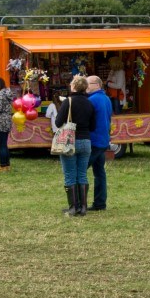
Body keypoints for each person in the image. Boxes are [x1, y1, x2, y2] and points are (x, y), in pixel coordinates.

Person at [55, 75, 96, 217]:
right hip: (86, 141)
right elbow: (93, 126)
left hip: (69, 141)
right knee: (82, 174)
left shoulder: (68, 101)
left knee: (70, 174)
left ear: (73, 86)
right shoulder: (90, 103)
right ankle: (83, 207)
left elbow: (58, 122)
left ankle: (73, 207)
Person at [85, 75, 113, 212]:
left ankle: (78, 204)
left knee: (80, 170)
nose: (86, 86)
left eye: (88, 83)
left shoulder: (92, 100)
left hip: (94, 140)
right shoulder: (106, 99)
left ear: (97, 84)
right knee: (99, 172)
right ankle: (100, 203)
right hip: (103, 140)